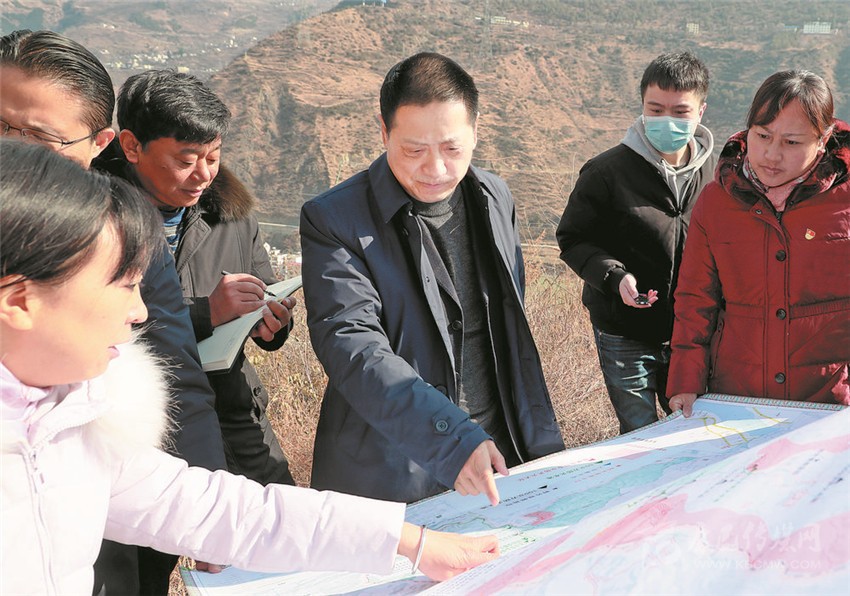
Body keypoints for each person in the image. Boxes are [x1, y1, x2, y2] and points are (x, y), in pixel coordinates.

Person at [0, 139, 500, 594]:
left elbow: (228, 512)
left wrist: (410, 543)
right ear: (20, 301)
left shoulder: (74, 425)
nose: (139, 312)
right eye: (123, 286)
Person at [0, 29, 228, 593]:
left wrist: (209, 513)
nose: (10, 149)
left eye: (38, 137)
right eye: (1, 126)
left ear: (98, 143)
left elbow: (176, 371)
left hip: (92, 513)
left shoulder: (119, 233)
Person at [300, 52, 565, 506]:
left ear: (475, 133)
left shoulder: (494, 197)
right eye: (414, 150)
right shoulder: (335, 219)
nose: (436, 169)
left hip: (500, 455)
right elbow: (353, 347)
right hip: (396, 472)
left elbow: (508, 327)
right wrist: (452, 439)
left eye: (452, 149)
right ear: (384, 133)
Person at [94, 69, 297, 489]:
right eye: (186, 161)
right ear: (131, 146)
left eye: (213, 157)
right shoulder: (94, 222)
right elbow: (91, 329)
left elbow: (265, 296)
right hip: (143, 428)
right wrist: (207, 313)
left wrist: (272, 321)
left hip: (236, 419)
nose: (204, 174)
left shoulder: (231, 216)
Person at [667, 70, 850, 415]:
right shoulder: (717, 201)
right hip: (736, 397)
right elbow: (695, 300)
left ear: (823, 139)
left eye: (791, 142)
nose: (771, 154)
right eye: (763, 135)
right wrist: (685, 382)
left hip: (830, 404)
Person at [556, 51, 715, 434]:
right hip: (624, 331)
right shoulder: (606, 172)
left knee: (692, 430)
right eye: (655, 109)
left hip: (691, 335)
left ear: (701, 111)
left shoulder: (718, 173)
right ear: (642, 105)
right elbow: (573, 238)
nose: (667, 121)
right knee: (639, 432)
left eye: (680, 111)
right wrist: (615, 277)